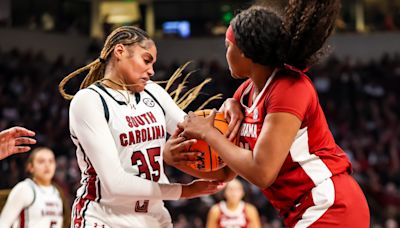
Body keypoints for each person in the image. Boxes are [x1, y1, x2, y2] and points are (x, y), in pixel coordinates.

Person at [178, 2, 370, 227]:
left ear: (245, 52)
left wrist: (210, 134)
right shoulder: (245, 93)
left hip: (329, 204)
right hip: (302, 209)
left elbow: (262, 173)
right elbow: (227, 171)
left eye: (227, 45)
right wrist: (173, 159)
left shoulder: (289, 88)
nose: (225, 53)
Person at [58, 26, 239, 228]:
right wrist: (185, 190)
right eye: (146, 60)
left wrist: (232, 106)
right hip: (104, 217)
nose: (151, 71)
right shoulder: (89, 100)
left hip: (153, 216)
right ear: (120, 51)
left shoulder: (153, 92)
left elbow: (196, 133)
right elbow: (115, 182)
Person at [0, 147, 63, 228]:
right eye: (41, 161)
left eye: (51, 161)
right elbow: (3, 223)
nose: (47, 165)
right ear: (30, 167)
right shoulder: (25, 188)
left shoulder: (57, 192)